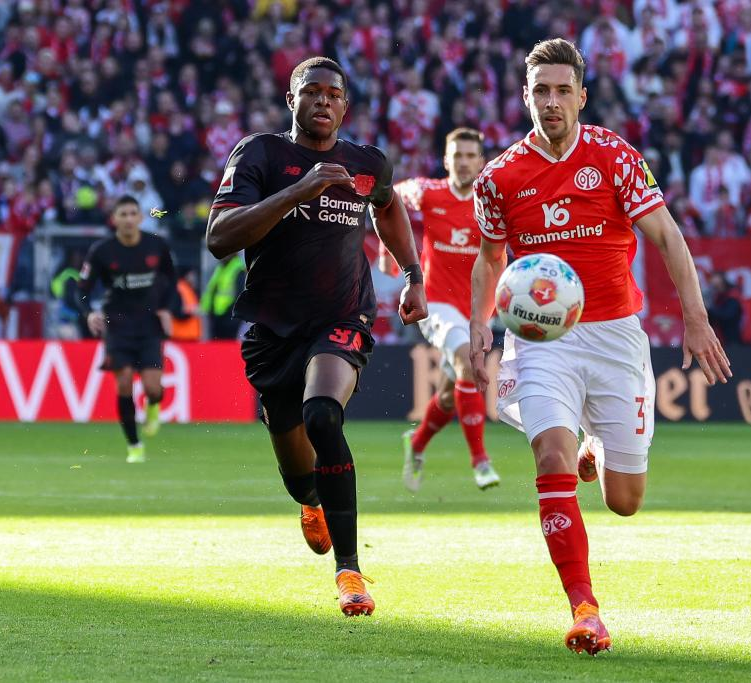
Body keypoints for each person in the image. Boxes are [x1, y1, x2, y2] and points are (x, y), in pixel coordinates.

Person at [469, 39, 731, 656]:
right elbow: (489, 257)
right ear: (525, 96)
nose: (552, 101)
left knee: (625, 501)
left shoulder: (615, 156)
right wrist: (482, 326)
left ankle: (597, 446)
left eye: (563, 90)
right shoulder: (499, 176)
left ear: (582, 96)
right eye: (541, 90)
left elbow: (667, 236)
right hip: (542, 339)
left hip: (616, 337)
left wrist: (695, 318)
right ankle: (585, 609)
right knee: (550, 457)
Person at [205, 57, 427, 617]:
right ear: (292, 100)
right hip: (274, 331)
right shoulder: (260, 155)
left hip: (343, 316)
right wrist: (297, 192)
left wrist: (412, 275)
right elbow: (219, 238)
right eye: (312, 92)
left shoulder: (366, 163)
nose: (323, 100)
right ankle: (311, 500)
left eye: (333, 93)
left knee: (324, 415)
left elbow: (389, 207)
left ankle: (349, 573)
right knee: (300, 479)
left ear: (345, 106)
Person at [379, 128, 501, 492]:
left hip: (475, 311)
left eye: (470, 156)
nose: (463, 162)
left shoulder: (491, 202)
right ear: (446, 160)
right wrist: (388, 251)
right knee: (468, 362)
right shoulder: (428, 192)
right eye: (457, 155)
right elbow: (388, 197)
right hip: (436, 304)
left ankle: (415, 445)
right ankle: (481, 461)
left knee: (450, 395)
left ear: (481, 162)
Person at [77, 195, 176, 464]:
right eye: (123, 214)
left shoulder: (156, 245)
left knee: (153, 387)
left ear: (141, 217)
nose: (129, 219)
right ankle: (134, 445)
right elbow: (82, 289)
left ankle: (153, 404)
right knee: (123, 383)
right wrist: (89, 313)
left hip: (148, 325)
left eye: (133, 213)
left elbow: (171, 279)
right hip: (117, 325)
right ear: (114, 219)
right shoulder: (102, 251)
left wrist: (166, 309)